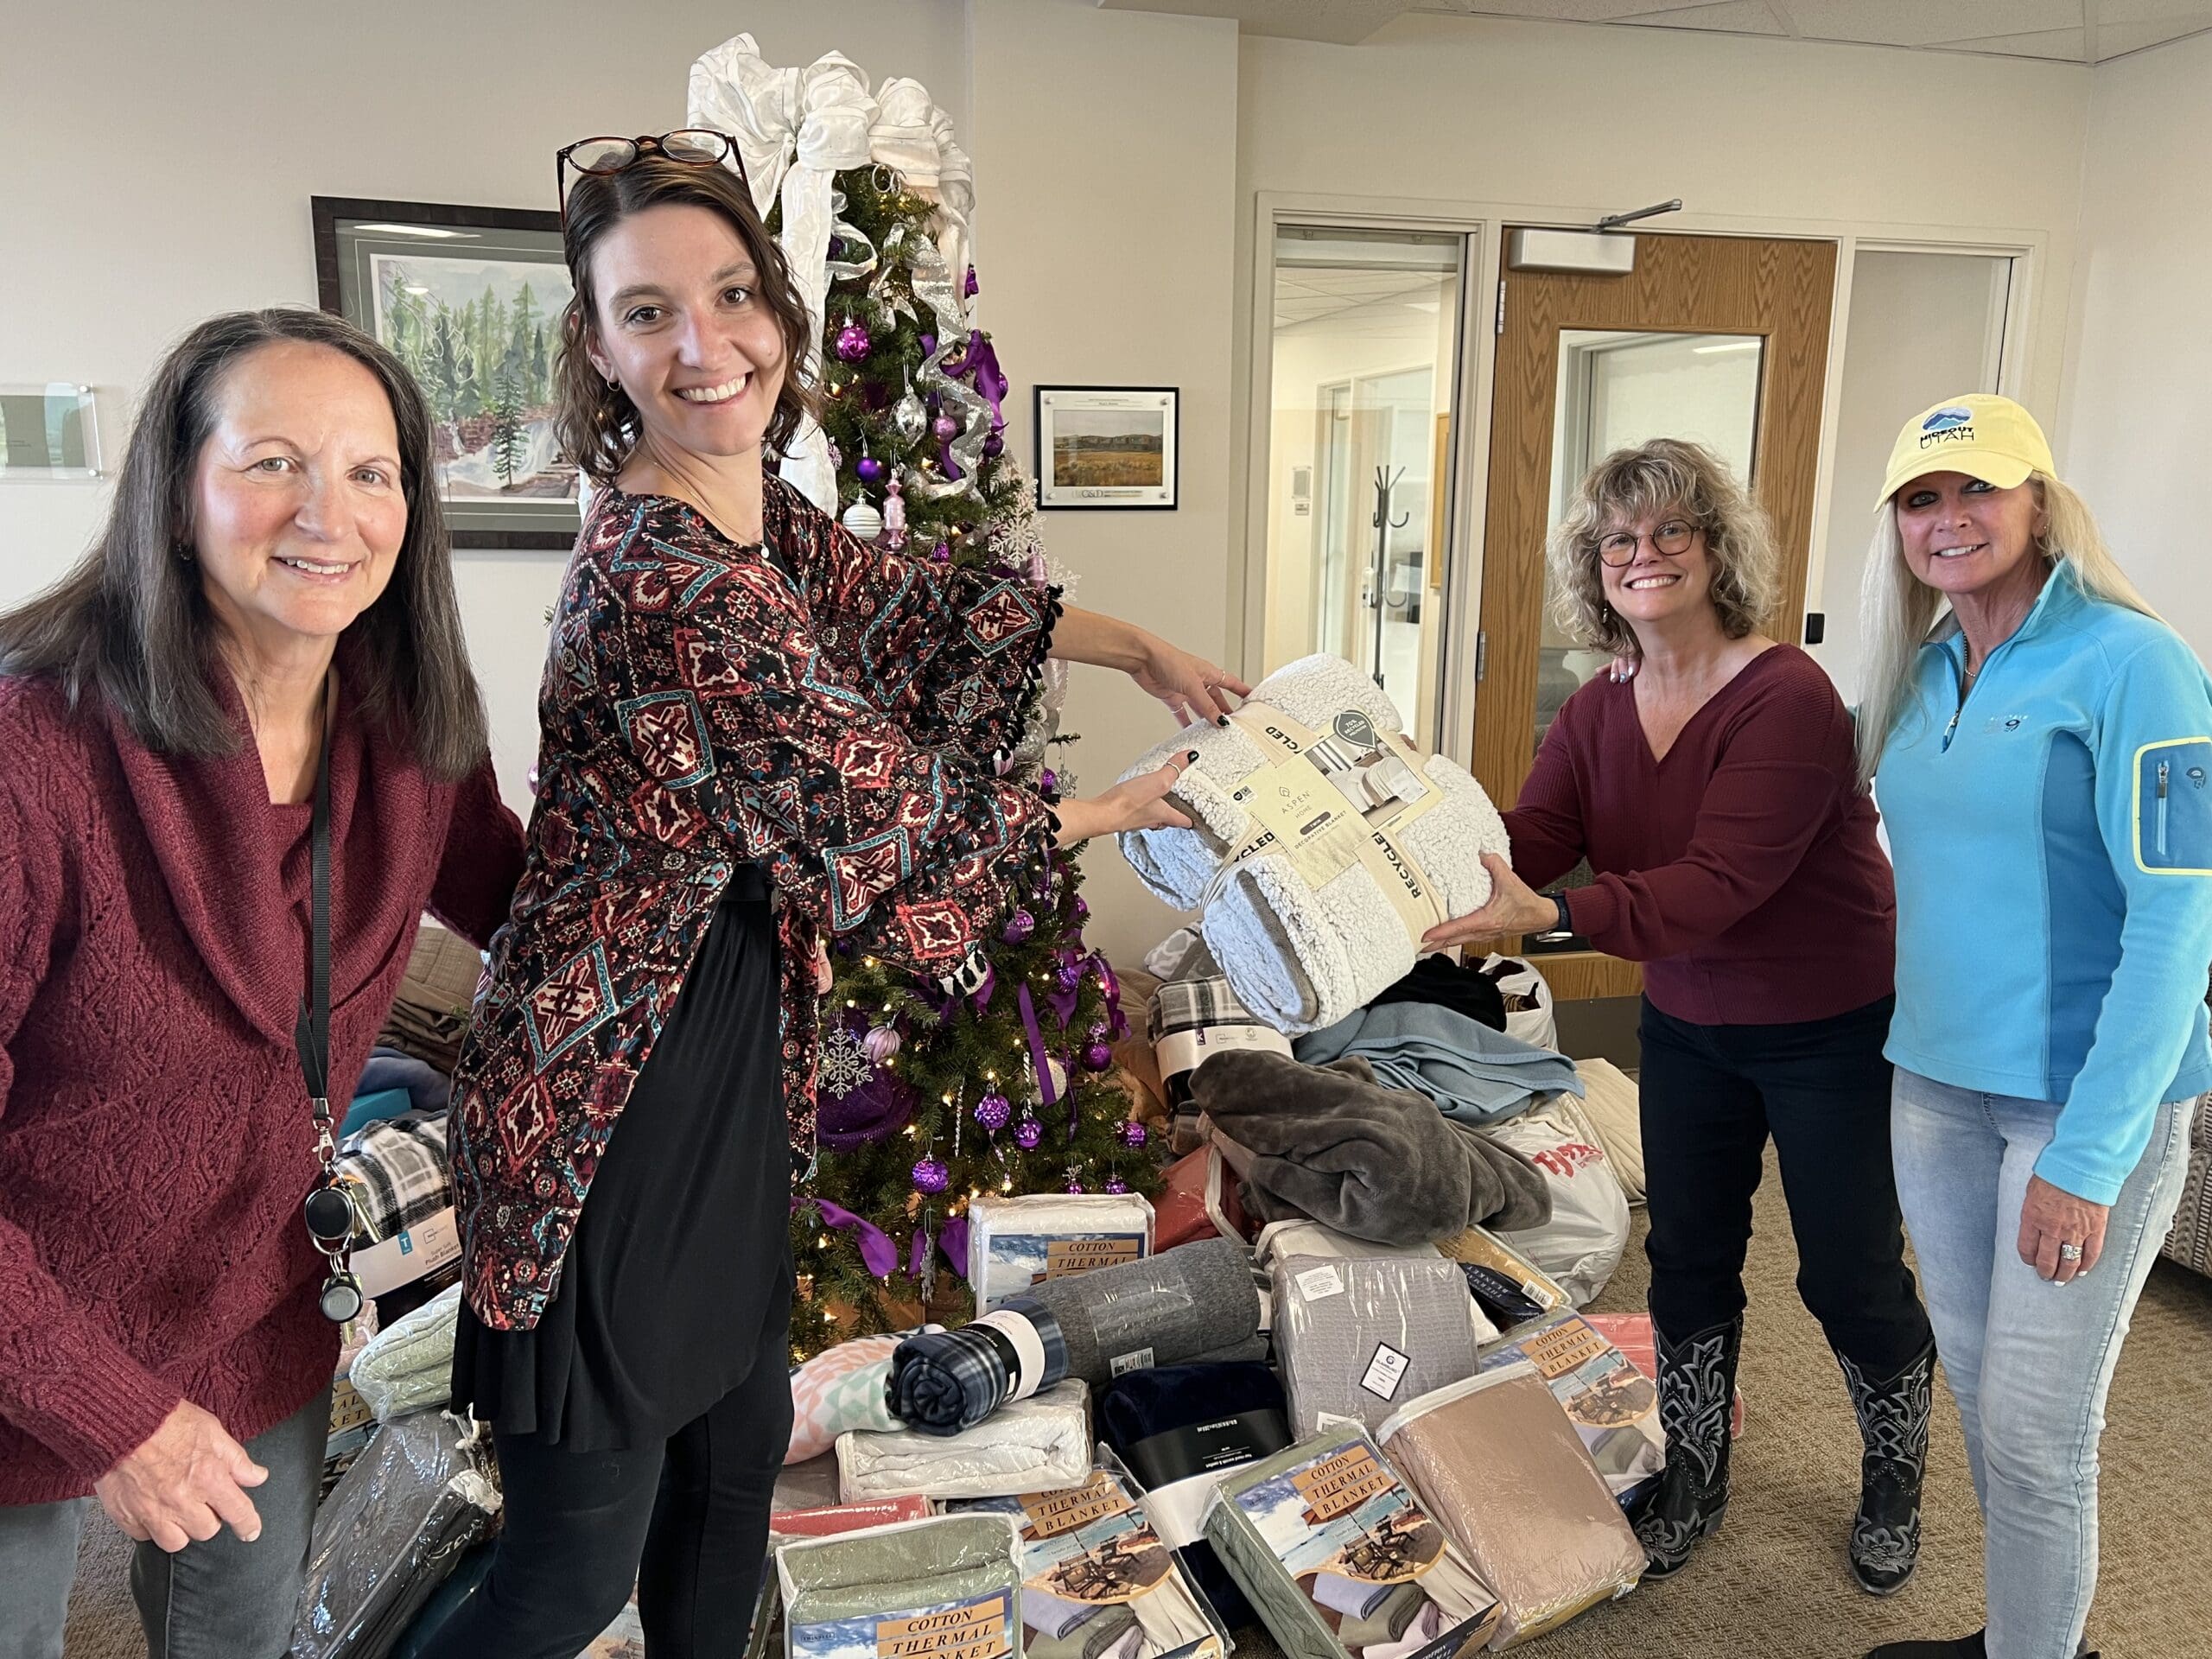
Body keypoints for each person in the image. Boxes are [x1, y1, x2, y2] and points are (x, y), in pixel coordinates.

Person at [418, 132, 1247, 1659]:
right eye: (649, 311)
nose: (704, 342)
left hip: (727, 1051)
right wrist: (1123, 804)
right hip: (615, 1091)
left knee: (736, 1461)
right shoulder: (666, 572)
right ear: (597, 349)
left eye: (731, 294)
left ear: (784, 315)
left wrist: (1142, 652)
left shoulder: (751, 517)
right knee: (572, 1569)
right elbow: (886, 809)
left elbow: (920, 593)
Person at [0, 309, 524, 1657]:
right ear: (176, 499)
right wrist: (106, 1412)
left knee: (243, 1636)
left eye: (371, 471)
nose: (328, 514)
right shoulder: (32, 749)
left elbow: (542, 915)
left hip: (253, 1307)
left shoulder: (404, 724)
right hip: (20, 1315)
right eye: (273, 462)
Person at [1421, 438, 1934, 1591]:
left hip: (1828, 1028)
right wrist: (1414, 845)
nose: (1642, 556)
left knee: (1847, 1273)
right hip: (1692, 1025)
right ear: (1593, 568)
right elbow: (1536, 836)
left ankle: (1894, 1476)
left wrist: (1540, 915)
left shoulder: (1788, 697)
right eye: (1618, 540)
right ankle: (1695, 1473)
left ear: (1717, 551)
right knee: (1689, 1255)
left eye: (1668, 533)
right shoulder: (1600, 702)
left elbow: (1719, 884)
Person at [1855, 396, 2212, 1659]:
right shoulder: (1919, 671)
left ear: (2040, 503)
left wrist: (2093, 1156)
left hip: (2080, 1106)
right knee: (1989, 1402)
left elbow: (2179, 925)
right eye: (1920, 499)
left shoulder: (2135, 663)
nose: (1948, 521)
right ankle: (2025, 1637)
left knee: (2039, 1434)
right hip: (1937, 1093)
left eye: (1976, 492)